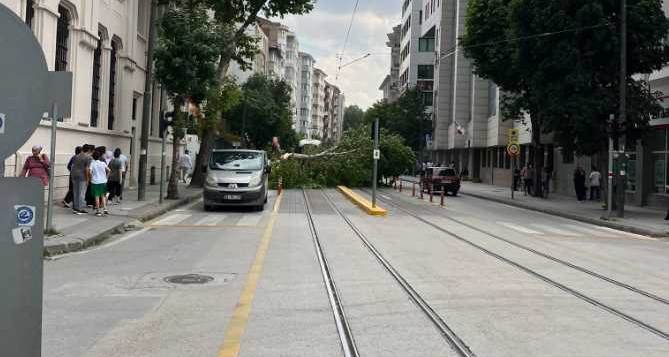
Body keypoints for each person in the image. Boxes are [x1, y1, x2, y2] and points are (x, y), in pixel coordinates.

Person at [70, 145, 93, 215]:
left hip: (74, 175)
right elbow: (87, 169)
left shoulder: (76, 156)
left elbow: (72, 166)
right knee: (82, 193)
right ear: (89, 150)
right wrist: (88, 178)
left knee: (76, 192)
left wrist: (72, 176)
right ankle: (80, 208)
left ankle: (76, 208)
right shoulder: (89, 157)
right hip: (82, 176)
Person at [90, 150, 110, 216]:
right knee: (103, 195)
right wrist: (106, 177)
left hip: (95, 181)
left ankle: (98, 210)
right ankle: (105, 209)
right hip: (103, 181)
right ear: (99, 157)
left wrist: (91, 177)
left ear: (93, 157)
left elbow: (90, 172)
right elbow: (109, 170)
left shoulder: (92, 163)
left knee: (97, 196)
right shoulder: (103, 163)